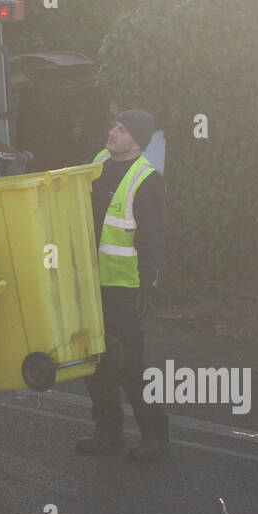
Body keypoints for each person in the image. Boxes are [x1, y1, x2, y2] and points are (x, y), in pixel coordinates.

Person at [76, 109, 171, 460]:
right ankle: (107, 431)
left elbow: (152, 239)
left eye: (122, 129)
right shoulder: (98, 163)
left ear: (138, 141)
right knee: (94, 361)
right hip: (91, 282)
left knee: (130, 364)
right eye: (114, 126)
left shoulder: (146, 179)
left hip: (123, 287)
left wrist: (146, 286)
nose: (112, 132)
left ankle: (155, 435)